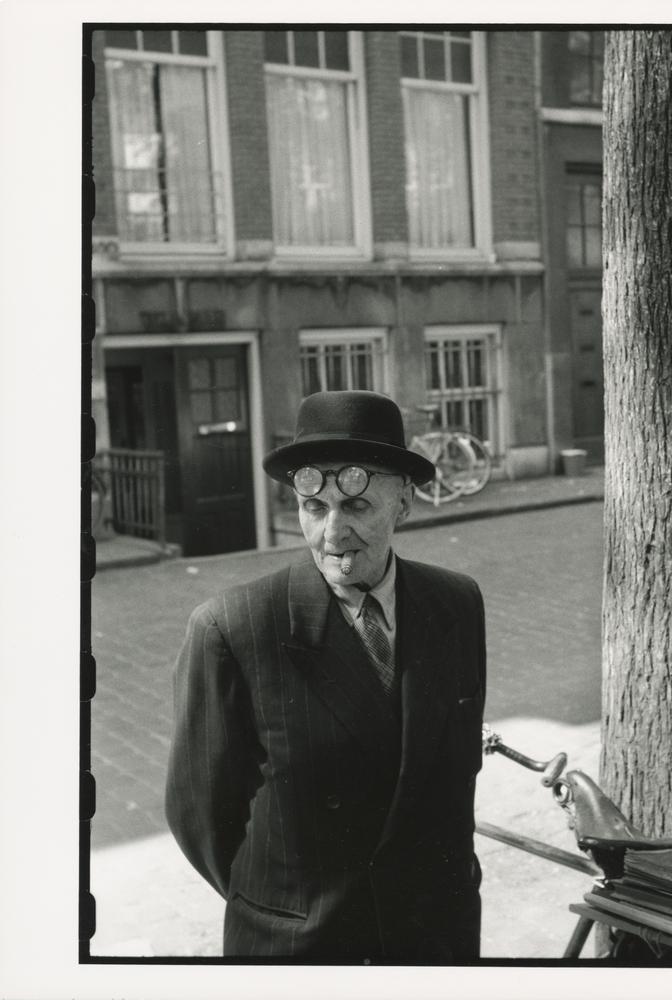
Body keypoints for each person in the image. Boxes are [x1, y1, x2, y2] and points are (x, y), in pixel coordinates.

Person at [165, 390, 487, 961]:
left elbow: (452, 783)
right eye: (315, 508)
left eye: (357, 506)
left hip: (434, 936)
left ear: (404, 503)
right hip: (303, 949)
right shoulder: (233, 628)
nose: (333, 534)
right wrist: (281, 910)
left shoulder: (456, 604)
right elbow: (201, 816)